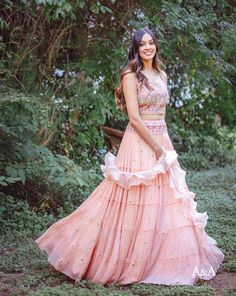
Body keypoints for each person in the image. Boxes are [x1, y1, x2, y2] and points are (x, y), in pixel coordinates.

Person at [34, 27, 225, 286]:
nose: (148, 47)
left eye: (151, 43)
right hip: (139, 142)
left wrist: (164, 145)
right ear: (136, 49)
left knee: (165, 199)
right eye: (142, 44)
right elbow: (134, 118)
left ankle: (158, 258)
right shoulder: (130, 76)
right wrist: (157, 149)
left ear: (156, 46)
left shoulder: (162, 75)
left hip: (162, 137)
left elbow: (162, 115)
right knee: (133, 197)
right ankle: (110, 256)